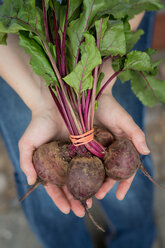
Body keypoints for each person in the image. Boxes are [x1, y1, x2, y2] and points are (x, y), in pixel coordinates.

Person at [0, 10, 156, 248]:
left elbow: (125, 7)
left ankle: (136, 240)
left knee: (130, 196)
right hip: (13, 41)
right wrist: (39, 103)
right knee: (43, 194)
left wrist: (102, 89)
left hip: (108, 14)